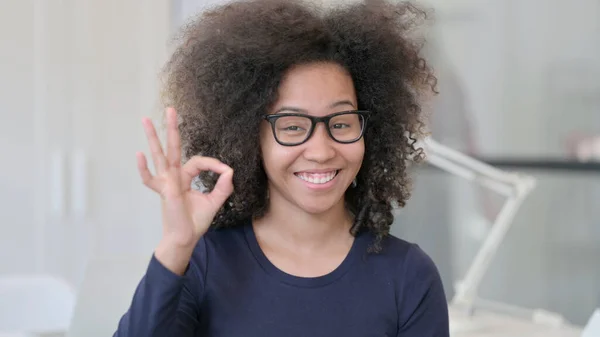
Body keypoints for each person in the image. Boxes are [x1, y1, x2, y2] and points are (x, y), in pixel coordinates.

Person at [113, 0, 449, 336]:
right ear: (249, 137)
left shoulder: (408, 276)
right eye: (292, 126)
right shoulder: (203, 262)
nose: (320, 151)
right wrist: (175, 247)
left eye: (342, 123)